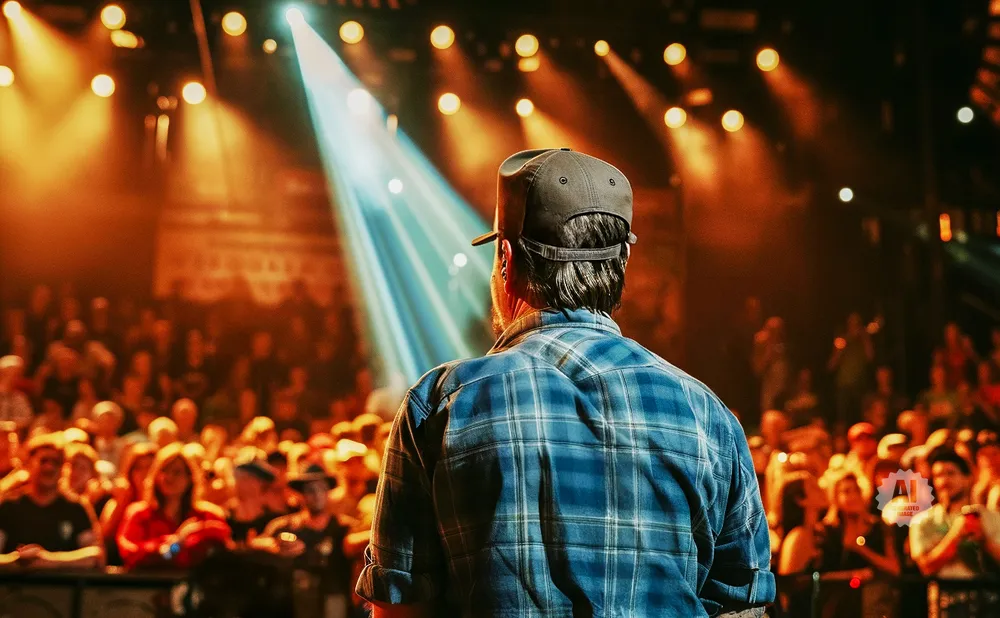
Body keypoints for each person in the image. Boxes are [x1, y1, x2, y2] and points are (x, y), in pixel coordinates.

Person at [357, 149, 774, 617]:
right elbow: (742, 607)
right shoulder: (707, 415)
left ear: (506, 259)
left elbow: (399, 610)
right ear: (621, 266)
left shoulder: (442, 404)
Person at [252, 463, 367, 617]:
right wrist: (274, 547)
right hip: (293, 603)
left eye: (322, 489)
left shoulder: (343, 526)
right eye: (310, 490)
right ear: (301, 494)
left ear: (328, 492)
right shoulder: (285, 526)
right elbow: (257, 543)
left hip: (333, 601)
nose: (317, 494)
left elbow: (354, 543)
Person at [910, 447, 1000, 616]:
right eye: (938, 475)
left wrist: (984, 540)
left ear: (967, 478)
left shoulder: (990, 518)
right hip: (947, 599)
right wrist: (956, 534)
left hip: (989, 597)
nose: (944, 481)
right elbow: (927, 567)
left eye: (950, 473)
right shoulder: (923, 521)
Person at [117, 442, 231, 569]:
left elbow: (224, 550)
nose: (168, 477)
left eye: (176, 472)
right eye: (163, 470)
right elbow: (130, 554)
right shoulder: (139, 514)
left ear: (189, 479)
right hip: (151, 585)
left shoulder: (208, 516)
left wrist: (193, 535)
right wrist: (175, 543)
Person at [0, 435, 103, 568]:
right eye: (44, 461)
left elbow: (96, 557)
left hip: (63, 588)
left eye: (56, 462)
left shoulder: (76, 508)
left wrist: (46, 559)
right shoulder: (9, 506)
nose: (49, 468)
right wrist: (18, 560)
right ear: (28, 464)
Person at [100, 443, 156, 566]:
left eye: (149, 467)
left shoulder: (166, 504)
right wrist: (121, 503)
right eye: (138, 468)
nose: (144, 473)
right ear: (130, 472)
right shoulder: (119, 500)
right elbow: (103, 540)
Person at [828, 313, 874, 430]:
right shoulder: (842, 341)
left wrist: (865, 338)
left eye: (857, 323)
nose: (854, 326)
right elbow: (831, 366)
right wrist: (838, 351)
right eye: (852, 323)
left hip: (860, 387)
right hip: (843, 387)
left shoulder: (863, 342)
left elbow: (870, 357)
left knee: (860, 420)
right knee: (843, 420)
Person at [226, 456, 278, 544]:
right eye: (236, 477)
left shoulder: (273, 521)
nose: (238, 483)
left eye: (245, 478)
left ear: (260, 483)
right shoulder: (227, 517)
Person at [0, 355, 32, 430]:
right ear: (2, 374)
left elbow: (27, 419)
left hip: (12, 437)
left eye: (18, 375)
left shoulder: (20, 397)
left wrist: (13, 424)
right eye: (14, 374)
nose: (17, 378)